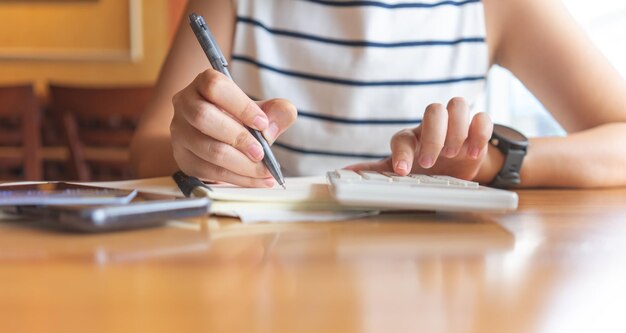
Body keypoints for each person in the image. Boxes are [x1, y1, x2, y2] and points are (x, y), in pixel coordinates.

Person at [131, 0, 626, 188]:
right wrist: (195, 148)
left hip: (439, 288)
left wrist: (495, 163)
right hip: (273, 276)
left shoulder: (498, 5)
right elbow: (145, 151)